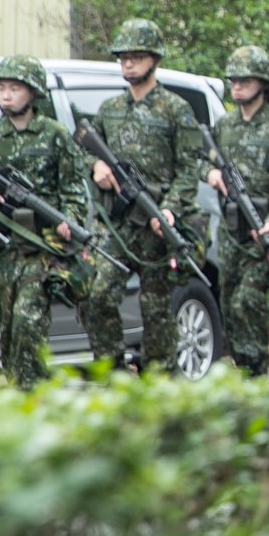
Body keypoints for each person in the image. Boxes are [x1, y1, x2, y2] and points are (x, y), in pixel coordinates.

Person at [82, 19, 203, 373]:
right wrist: (95, 167)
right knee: (97, 293)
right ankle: (113, 370)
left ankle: (158, 378)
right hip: (117, 223)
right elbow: (83, 150)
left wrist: (170, 210)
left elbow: (188, 169)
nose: (128, 64)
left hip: (156, 222)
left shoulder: (175, 109)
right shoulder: (109, 109)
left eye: (136, 57)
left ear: (154, 59)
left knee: (156, 308)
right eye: (123, 58)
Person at [0, 55, 92, 387]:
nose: (6, 95)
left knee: (29, 321)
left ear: (33, 92)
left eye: (15, 88)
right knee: (6, 326)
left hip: (41, 248)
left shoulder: (53, 134)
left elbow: (73, 188)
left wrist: (71, 220)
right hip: (3, 248)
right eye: (2, 88)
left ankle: (33, 392)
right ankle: (17, 387)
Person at [206, 45, 269, 376]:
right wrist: (211, 173)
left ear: (263, 83)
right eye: (233, 80)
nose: (237, 86)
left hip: (260, 229)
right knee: (228, 305)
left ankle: (257, 370)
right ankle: (242, 368)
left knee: (247, 302)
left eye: (245, 80)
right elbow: (201, 160)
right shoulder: (225, 125)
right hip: (230, 231)